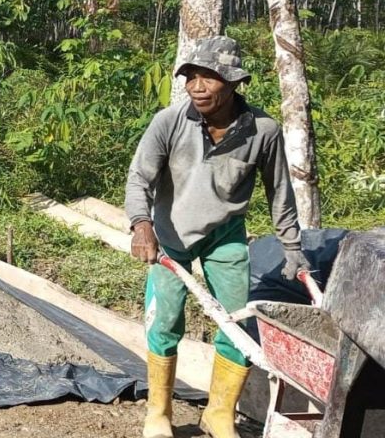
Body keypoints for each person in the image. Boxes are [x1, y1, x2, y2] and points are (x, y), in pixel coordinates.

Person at [125, 36, 309, 438]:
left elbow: (279, 191)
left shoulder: (263, 130)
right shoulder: (169, 122)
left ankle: (219, 412)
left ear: (233, 83)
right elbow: (140, 178)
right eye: (191, 77)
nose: (196, 87)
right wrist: (142, 225)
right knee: (165, 319)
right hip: (171, 235)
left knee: (237, 324)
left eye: (208, 78)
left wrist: (293, 248)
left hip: (225, 236)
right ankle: (158, 413)